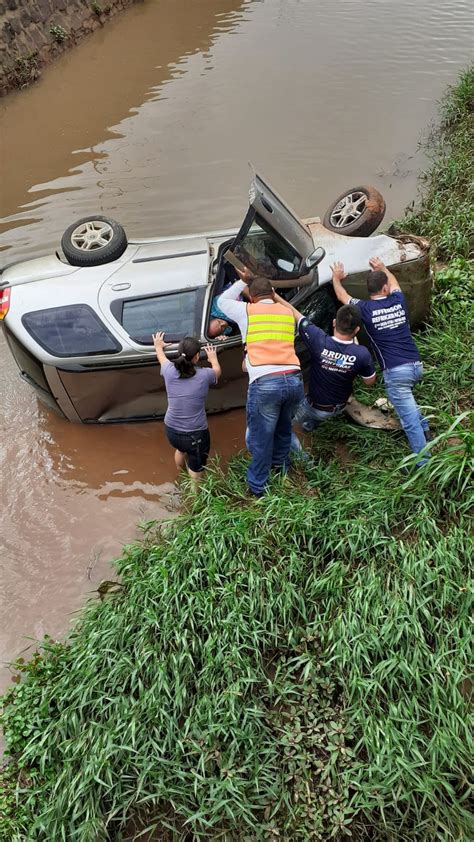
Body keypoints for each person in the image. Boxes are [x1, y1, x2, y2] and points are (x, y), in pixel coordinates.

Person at [331, 258, 431, 466]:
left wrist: (336, 277)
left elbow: (342, 296)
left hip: (396, 372)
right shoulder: (397, 300)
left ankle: (424, 464)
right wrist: (383, 267)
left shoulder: (364, 309)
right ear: (385, 288)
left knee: (408, 419)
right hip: (415, 365)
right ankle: (426, 430)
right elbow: (394, 283)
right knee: (408, 405)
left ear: (370, 291)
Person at [217, 275, 304, 496]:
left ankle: (257, 487)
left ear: (252, 297)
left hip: (266, 384)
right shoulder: (286, 313)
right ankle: (282, 471)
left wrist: (241, 281)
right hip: (294, 380)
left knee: (260, 438)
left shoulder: (247, 310)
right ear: (273, 293)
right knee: (284, 429)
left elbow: (222, 301)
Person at [274, 298, 376, 434]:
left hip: (311, 406)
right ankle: (310, 427)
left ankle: (302, 452)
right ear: (357, 329)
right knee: (316, 423)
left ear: (334, 322)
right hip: (337, 408)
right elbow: (369, 381)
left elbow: (294, 313)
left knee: (281, 429)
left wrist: (274, 295)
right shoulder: (362, 354)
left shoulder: (318, 339)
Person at [153, 332, 221, 483]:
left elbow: (161, 357)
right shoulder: (205, 375)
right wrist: (213, 359)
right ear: (197, 356)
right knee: (196, 470)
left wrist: (158, 345)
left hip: (172, 430)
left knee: (181, 450)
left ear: (179, 353)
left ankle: (181, 476)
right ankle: (194, 499)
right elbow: (218, 372)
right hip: (195, 433)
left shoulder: (169, 370)